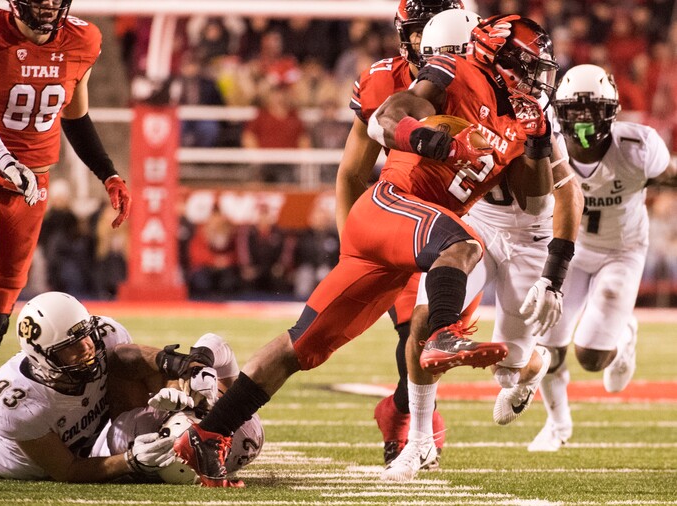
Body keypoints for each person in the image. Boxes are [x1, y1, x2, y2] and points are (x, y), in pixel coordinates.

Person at [173, 14, 559, 486]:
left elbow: (534, 200)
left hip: (406, 238)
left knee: (301, 346)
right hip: (392, 205)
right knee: (466, 242)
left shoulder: (524, 119)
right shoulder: (455, 71)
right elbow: (388, 115)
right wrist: (426, 139)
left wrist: (536, 143)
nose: (537, 80)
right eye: (529, 67)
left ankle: (208, 435)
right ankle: (442, 337)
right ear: (498, 59)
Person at [382, 9, 584, 482]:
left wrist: (555, 277)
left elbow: (553, 195)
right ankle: (418, 444)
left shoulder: (531, 106)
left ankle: (534, 366)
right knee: (426, 321)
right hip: (476, 222)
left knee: (511, 364)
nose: (538, 78)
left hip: (530, 234)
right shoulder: (450, 83)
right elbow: (398, 114)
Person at [337, 0, 466, 467]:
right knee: (417, 327)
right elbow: (353, 172)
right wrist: (350, 244)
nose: (430, 42)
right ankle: (408, 427)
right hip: (404, 216)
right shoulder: (384, 81)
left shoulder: (489, 78)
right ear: (405, 35)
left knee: (437, 332)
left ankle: (398, 410)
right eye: (422, 31)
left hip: (467, 222)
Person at [0, 1, 132, 381]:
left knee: (2, 296)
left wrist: (108, 174)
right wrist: (3, 158)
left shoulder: (82, 40)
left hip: (33, 188)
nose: (48, 4)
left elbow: (75, 117)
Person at [527, 64, 677, 452]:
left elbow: (670, 175)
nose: (583, 121)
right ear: (560, 113)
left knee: (593, 359)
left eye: (592, 111)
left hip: (622, 251)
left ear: (611, 112)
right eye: (575, 112)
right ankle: (557, 425)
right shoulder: (548, 145)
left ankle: (624, 334)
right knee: (546, 350)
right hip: (569, 249)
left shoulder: (638, 148)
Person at [0, 291, 214, 482]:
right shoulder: (16, 399)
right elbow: (68, 470)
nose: (87, 347)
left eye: (86, 335)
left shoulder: (104, 335)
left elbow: (130, 363)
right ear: (43, 358)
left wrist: (173, 384)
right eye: (71, 345)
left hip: (87, 442)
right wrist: (130, 460)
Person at [90, 332, 264, 487]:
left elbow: (117, 360)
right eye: (200, 413)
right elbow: (216, 343)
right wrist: (198, 365)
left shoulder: (133, 433)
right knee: (196, 385)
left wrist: (128, 460)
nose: (194, 408)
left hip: (105, 440)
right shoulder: (246, 435)